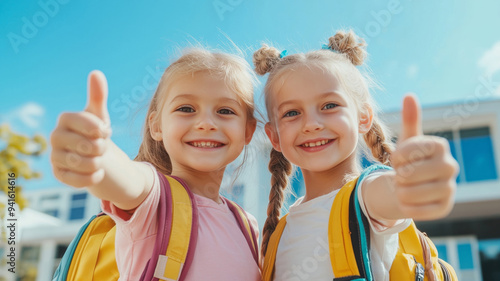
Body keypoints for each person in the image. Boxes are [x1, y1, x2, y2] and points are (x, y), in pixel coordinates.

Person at [253, 30, 458, 280]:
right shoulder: (280, 232)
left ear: (363, 118)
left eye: (329, 106)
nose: (311, 124)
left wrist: (414, 183)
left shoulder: (366, 197)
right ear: (274, 137)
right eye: (291, 113)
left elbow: (393, 193)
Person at [50, 48, 260, 281]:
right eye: (186, 109)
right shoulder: (154, 201)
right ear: (157, 126)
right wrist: (100, 157)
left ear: (248, 130)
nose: (206, 123)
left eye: (225, 111)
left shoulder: (247, 226)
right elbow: (132, 180)